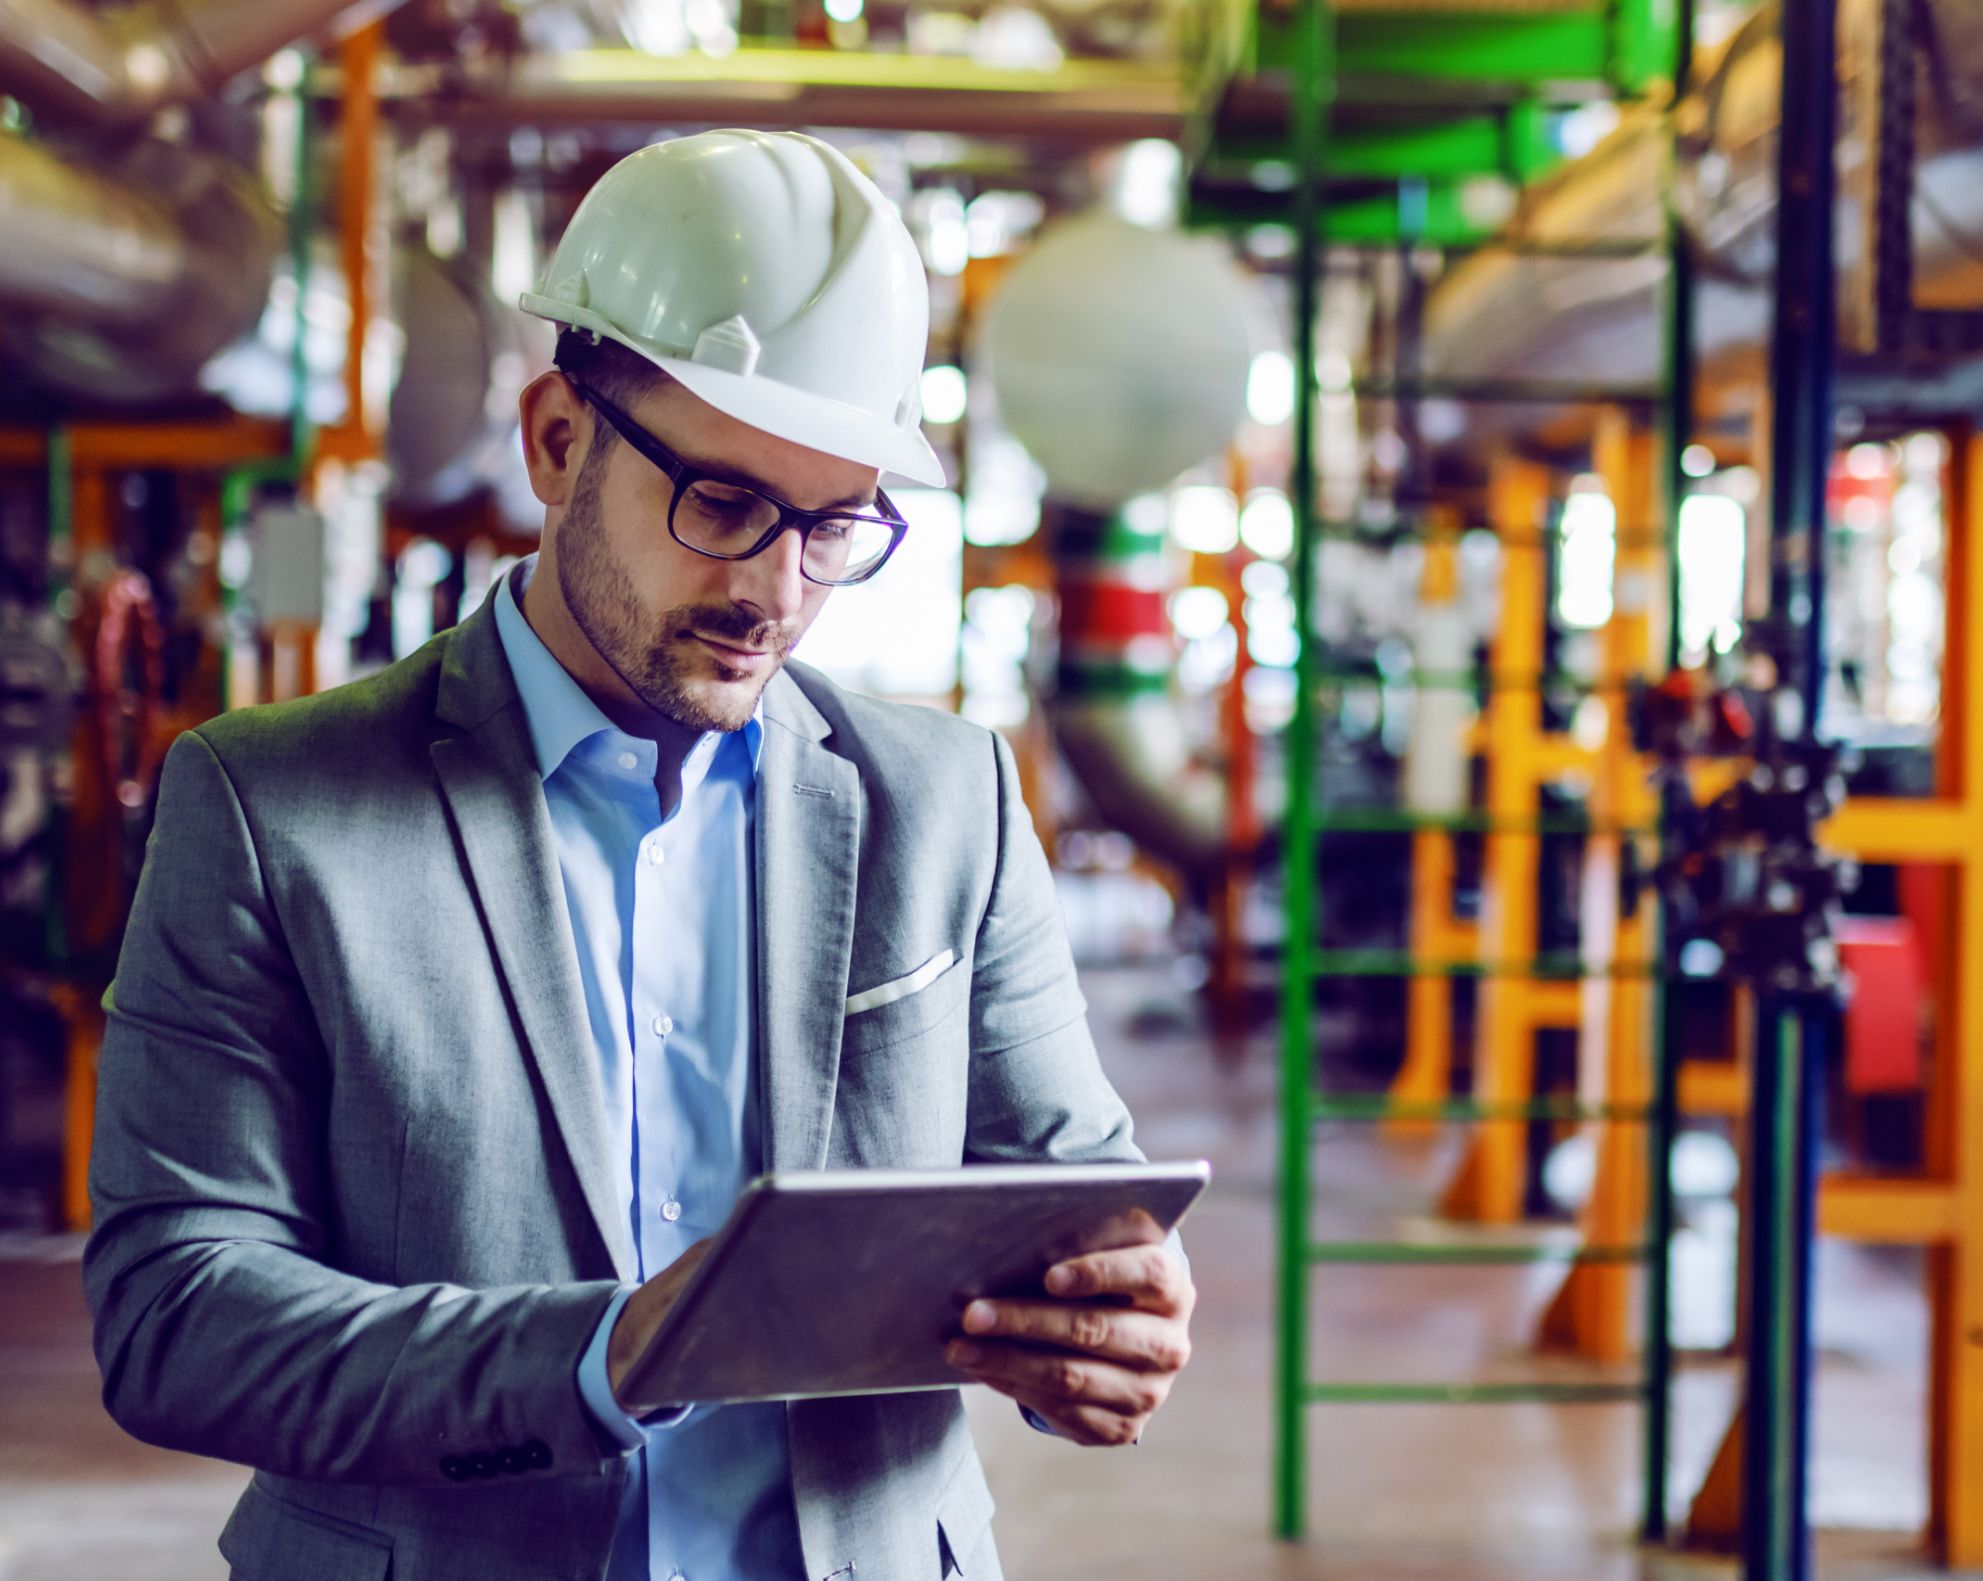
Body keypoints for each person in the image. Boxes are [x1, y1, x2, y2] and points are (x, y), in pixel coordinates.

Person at [82, 129, 1195, 1581]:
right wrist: (604, 1352)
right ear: (556, 439)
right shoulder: (269, 806)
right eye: (722, 505)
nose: (776, 591)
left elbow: (1078, 1192)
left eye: (837, 522)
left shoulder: (946, 804)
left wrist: (1115, 1317)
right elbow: (177, 1313)